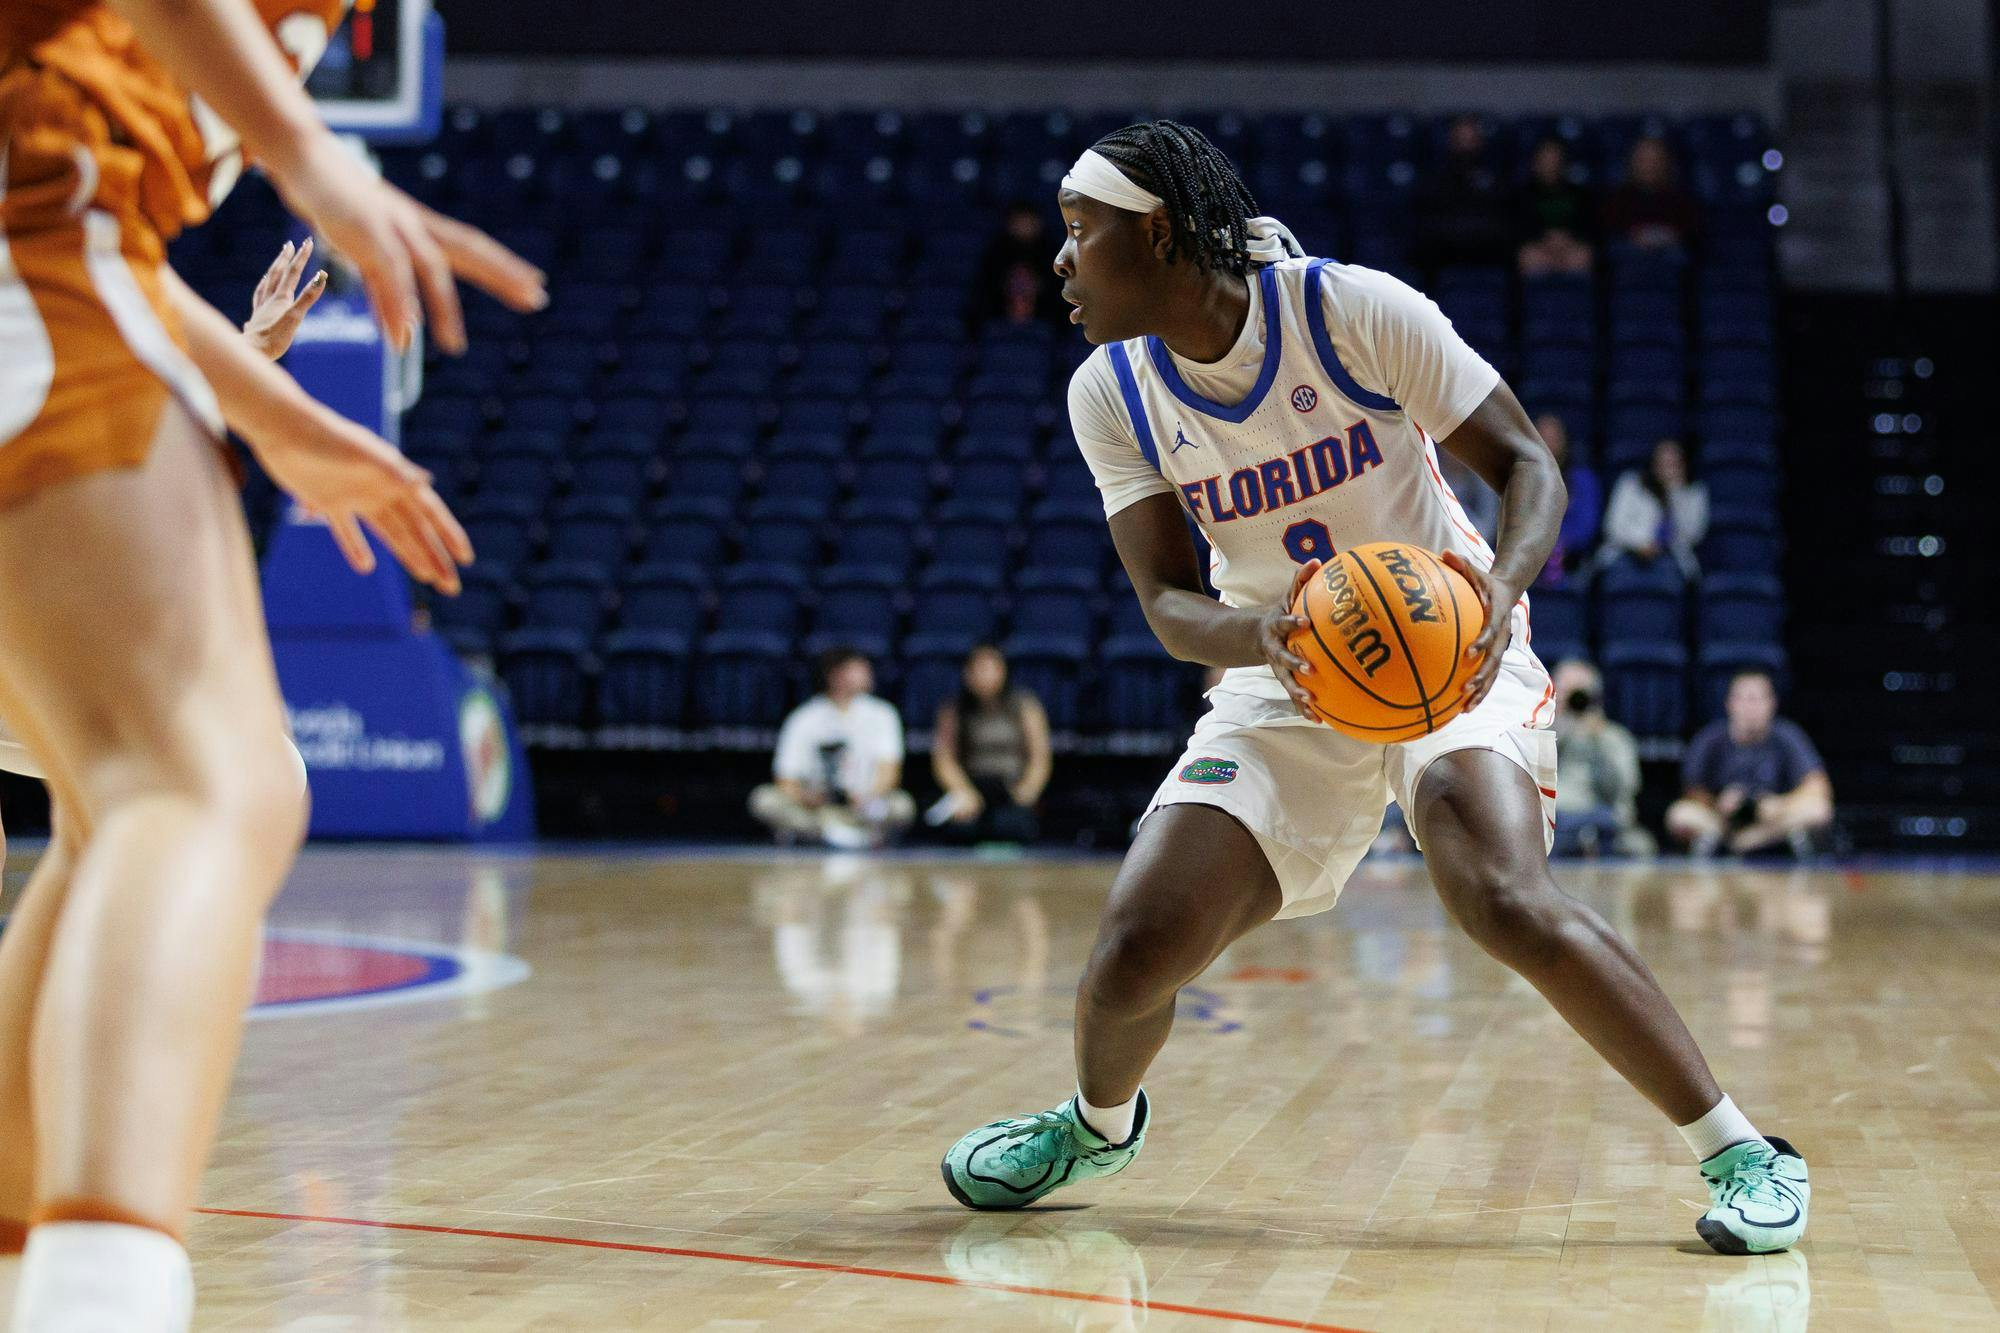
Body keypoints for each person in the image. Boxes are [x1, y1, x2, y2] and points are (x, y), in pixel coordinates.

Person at [939, 121, 1808, 1258]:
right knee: (1134, 949)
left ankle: (1745, 1149)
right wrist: (1266, 632)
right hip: (1282, 669)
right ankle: (1097, 1127)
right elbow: (1163, 602)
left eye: (1076, 231)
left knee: (1495, 887)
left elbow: (1525, 468)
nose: (1057, 260)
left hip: (1445, 646)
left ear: (1153, 233)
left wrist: (1496, 592)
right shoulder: (1111, 392)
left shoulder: (1347, 310)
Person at [0, 1, 545, 1326]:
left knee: (114, 802)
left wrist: (268, 404)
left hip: (53, 256)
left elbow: (90, 231)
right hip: (36, 255)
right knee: (211, 787)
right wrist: (312, 155)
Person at [751, 649, 915, 849]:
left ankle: (841, 834)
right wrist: (807, 797)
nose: (868, 674)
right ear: (836, 675)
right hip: (816, 809)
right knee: (764, 800)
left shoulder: (882, 714)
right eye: (859, 669)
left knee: (902, 806)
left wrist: (867, 797)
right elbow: (785, 777)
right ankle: (832, 834)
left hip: (862, 807)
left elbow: (890, 772)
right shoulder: (804, 717)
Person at [1668, 672, 1833, 857]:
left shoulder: (1788, 736)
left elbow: (1818, 786)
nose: (1751, 707)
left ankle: (1745, 844)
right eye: (1745, 699)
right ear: (1730, 703)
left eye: (1758, 699)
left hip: (1771, 821)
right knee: (1680, 814)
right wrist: (1718, 803)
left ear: (1772, 704)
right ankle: (1727, 842)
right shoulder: (1710, 738)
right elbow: (1692, 790)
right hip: (1722, 822)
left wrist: (1779, 804)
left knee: (1818, 809)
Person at [929, 645, 1051, 844]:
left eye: (990, 668)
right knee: (961, 830)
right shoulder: (953, 710)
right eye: (978, 669)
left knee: (1013, 827)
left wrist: (1027, 790)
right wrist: (962, 791)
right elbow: (944, 759)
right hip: (973, 788)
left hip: (1011, 787)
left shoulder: (1025, 706)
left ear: (1002, 671)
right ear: (967, 674)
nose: (984, 676)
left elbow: (1040, 757)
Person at [1551, 659, 1649, 857]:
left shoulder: (1614, 737)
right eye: (1566, 694)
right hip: (1557, 821)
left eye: (1579, 695)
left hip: (1604, 821)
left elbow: (1622, 791)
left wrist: (1597, 739)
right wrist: (1559, 729)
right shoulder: (1542, 735)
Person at [1413, 114, 1515, 272]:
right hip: (1447, 245)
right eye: (1460, 139)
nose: (1465, 145)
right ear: (1451, 141)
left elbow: (1500, 212)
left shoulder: (1493, 176)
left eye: (1470, 139)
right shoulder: (1437, 177)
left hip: (1485, 244)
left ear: (1479, 141)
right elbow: (1430, 211)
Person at [1602, 437, 1709, 579]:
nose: (1667, 469)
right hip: (1625, 552)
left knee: (1671, 573)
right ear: (1653, 463)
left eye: (1673, 464)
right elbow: (1613, 526)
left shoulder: (1694, 493)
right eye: (1663, 463)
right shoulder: (1630, 484)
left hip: (1672, 557)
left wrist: (1674, 491)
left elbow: (1693, 533)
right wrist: (1642, 543)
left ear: (1684, 465)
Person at [966, 200, 1071, 333]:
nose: (1024, 226)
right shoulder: (996, 254)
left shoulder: (1052, 254)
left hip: (1047, 317)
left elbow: (1063, 291)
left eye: (1028, 221)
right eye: (1020, 221)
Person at [1533, 413, 1602, 586]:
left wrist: (1559, 545)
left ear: (1564, 441)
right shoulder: (1522, 479)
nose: (1547, 444)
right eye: (1542, 437)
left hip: (1573, 559)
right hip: (1530, 556)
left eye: (1553, 438)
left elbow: (1587, 525)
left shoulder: (1583, 479)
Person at [1602, 135, 1702, 254]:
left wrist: (1670, 238)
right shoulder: (1617, 200)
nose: (1649, 166)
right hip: (1630, 261)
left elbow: (1693, 238)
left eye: (1655, 160)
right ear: (1632, 162)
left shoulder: (1682, 201)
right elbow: (1609, 238)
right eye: (1643, 160)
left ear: (1665, 162)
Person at [1516, 137, 1595, 276]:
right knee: (1529, 256)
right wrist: (1544, 239)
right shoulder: (1523, 194)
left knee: (1583, 256)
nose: (1551, 167)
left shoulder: (1579, 194)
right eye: (1546, 162)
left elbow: (1589, 226)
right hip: (1539, 247)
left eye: (1556, 162)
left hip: (1570, 247)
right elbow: (1519, 228)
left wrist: (1568, 239)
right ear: (1536, 164)